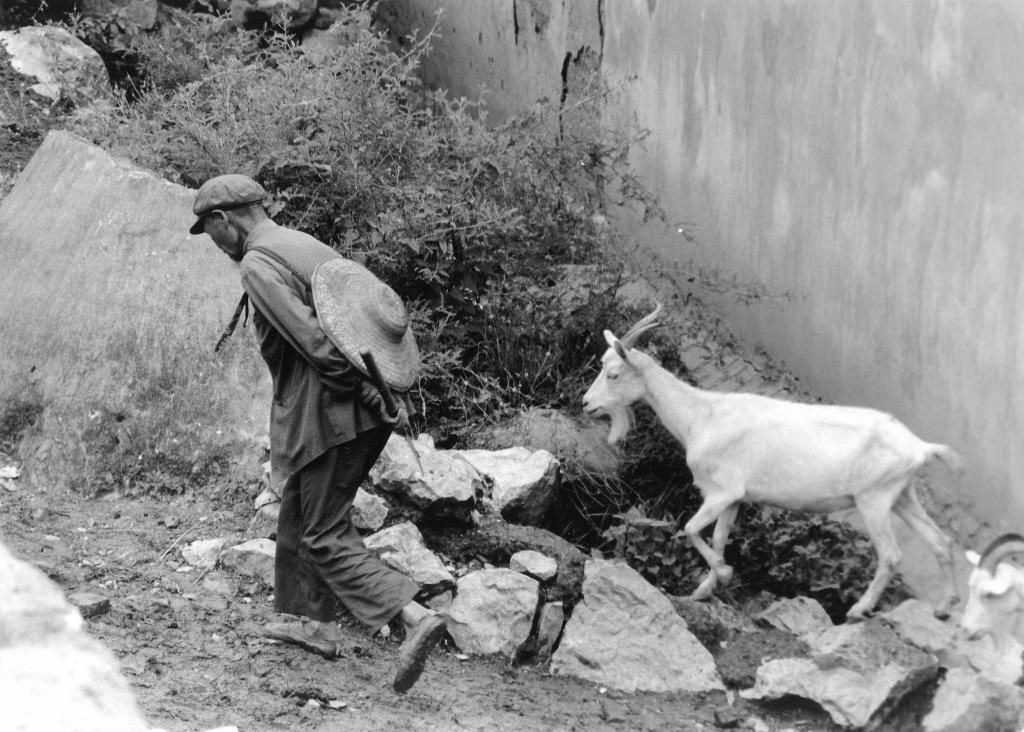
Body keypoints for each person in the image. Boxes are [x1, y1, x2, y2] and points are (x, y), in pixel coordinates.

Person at [189, 173, 446, 693]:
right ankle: (309, 622)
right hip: (351, 405)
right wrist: (377, 392)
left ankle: (413, 616)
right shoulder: (302, 244)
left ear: (224, 220)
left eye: (209, 231)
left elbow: (317, 343)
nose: (214, 246)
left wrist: (366, 393)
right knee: (299, 510)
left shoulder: (259, 264)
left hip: (333, 412)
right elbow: (360, 317)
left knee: (323, 532)